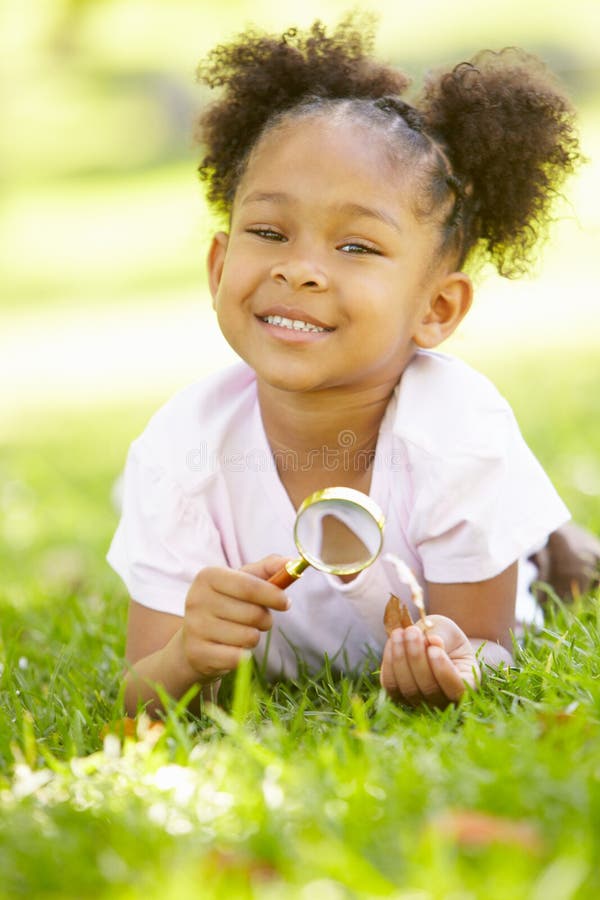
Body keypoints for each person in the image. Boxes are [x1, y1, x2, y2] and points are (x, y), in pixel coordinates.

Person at [107, 17, 596, 716]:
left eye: (357, 247)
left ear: (437, 308)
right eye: (269, 232)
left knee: (555, 568)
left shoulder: (457, 428)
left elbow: (489, 650)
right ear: (219, 268)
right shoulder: (179, 448)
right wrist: (185, 655)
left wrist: (454, 662)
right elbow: (139, 695)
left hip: (485, 528)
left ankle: (553, 549)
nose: (300, 269)